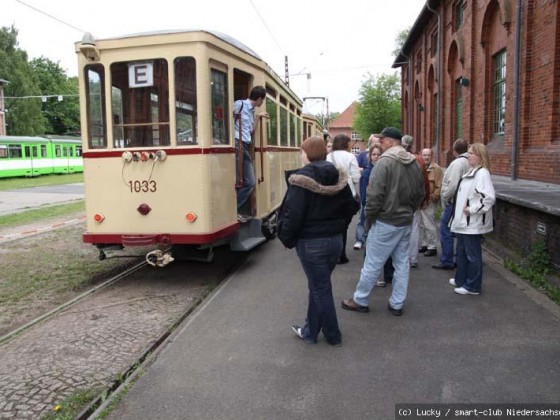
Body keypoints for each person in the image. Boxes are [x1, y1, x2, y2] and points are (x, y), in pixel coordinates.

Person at [277, 136, 359, 346]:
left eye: (302, 151)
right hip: (334, 242)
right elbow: (352, 207)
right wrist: (340, 225)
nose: (300, 154)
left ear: (307, 154)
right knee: (318, 285)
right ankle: (310, 332)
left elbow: (292, 215)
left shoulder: (300, 180)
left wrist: (287, 239)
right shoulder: (336, 175)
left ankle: (333, 336)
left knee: (320, 288)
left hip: (311, 243)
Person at [341, 127, 425, 316]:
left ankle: (360, 299)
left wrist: (369, 219)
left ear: (390, 142)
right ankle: (397, 303)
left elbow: (374, 196)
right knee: (401, 264)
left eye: (383, 139)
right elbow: (420, 193)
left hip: (385, 220)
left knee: (372, 263)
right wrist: (409, 211)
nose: (380, 143)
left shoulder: (384, 163)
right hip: (405, 220)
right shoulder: (414, 163)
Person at [449, 143, 495, 295]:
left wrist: (472, 210)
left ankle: (473, 286)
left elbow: (488, 198)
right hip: (464, 222)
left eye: (471, 153)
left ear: (480, 156)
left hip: (472, 223)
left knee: (472, 255)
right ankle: (461, 279)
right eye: (468, 152)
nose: (468, 155)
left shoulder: (482, 173)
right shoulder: (472, 172)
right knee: (462, 252)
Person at [432, 139, 470, 270]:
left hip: (454, 203)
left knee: (445, 230)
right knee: (460, 233)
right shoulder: (469, 162)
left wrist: (445, 197)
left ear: (454, 151)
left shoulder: (457, 163)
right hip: (465, 203)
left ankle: (447, 260)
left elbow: (453, 184)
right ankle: (460, 259)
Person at [233, 86, 268, 222]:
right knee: (249, 182)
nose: (262, 103)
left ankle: (233, 209)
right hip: (237, 144)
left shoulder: (252, 111)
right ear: (259, 99)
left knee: (247, 182)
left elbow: (251, 131)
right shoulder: (239, 104)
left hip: (245, 145)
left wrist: (258, 117)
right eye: (262, 100)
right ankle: (233, 209)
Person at [327, 134, 361, 264]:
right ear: (346, 144)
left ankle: (333, 254)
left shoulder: (328, 157)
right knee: (343, 226)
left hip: (331, 195)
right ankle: (341, 255)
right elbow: (356, 178)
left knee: (334, 225)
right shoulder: (350, 157)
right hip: (347, 195)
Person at [353, 142, 382, 250]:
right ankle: (360, 240)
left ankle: (372, 241)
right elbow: (363, 190)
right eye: (374, 154)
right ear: (370, 156)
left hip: (380, 202)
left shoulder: (384, 169)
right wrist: (365, 202)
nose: (376, 157)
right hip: (368, 202)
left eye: (379, 154)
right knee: (363, 220)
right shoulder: (367, 172)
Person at [418, 148, 443, 257]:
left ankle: (432, 246)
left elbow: (439, 185)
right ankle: (425, 244)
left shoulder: (436, 169)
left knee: (429, 224)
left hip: (430, 200)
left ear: (432, 156)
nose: (426, 157)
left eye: (428, 155)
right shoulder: (420, 167)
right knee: (422, 224)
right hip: (421, 200)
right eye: (424, 155)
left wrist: (433, 197)